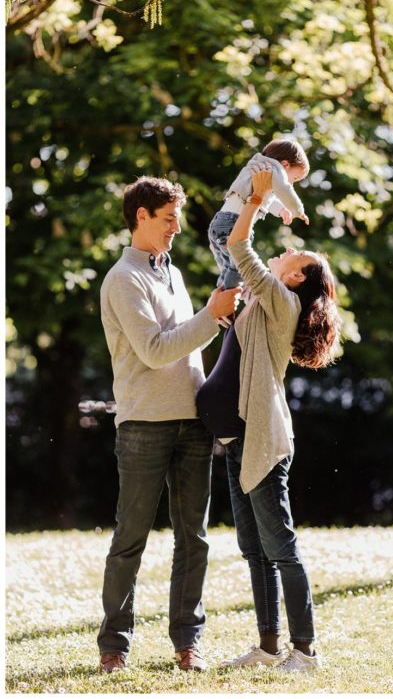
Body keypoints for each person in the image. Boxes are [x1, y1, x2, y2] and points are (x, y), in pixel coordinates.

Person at [196, 169, 342, 673]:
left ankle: (305, 650)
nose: (284, 254)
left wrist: (256, 200)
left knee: (280, 547)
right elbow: (233, 254)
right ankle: (267, 646)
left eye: (293, 258)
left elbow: (239, 246)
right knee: (254, 549)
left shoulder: (283, 301)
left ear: (297, 278)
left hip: (263, 440)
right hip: (237, 438)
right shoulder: (265, 299)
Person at [97, 176, 240, 673]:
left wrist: (218, 316)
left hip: (192, 424)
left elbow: (188, 340)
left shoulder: (172, 273)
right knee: (130, 538)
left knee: (194, 538)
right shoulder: (123, 279)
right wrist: (210, 313)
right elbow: (156, 351)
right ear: (141, 217)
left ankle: (188, 642)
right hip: (144, 425)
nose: (178, 227)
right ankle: (113, 647)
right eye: (168, 218)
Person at [208, 138, 310, 292]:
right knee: (240, 269)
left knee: (228, 268)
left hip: (218, 222)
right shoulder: (275, 170)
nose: (292, 184)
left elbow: (266, 198)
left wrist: (282, 210)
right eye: (294, 178)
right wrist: (298, 210)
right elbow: (284, 190)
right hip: (233, 225)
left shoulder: (256, 166)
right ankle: (226, 299)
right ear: (285, 165)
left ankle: (220, 294)